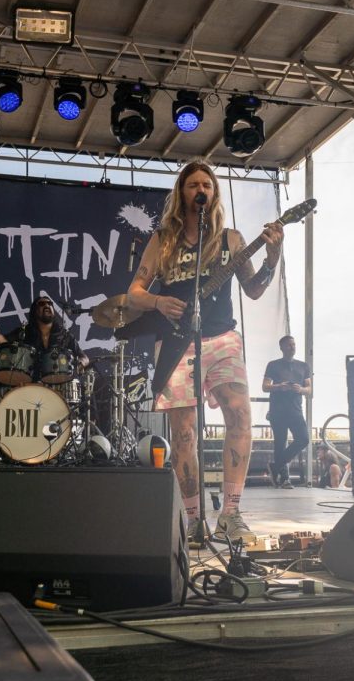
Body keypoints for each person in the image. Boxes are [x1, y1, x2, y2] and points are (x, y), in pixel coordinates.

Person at [127, 160, 283, 546]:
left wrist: (273, 257)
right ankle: (195, 520)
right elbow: (135, 292)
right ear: (182, 192)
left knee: (240, 413)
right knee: (183, 433)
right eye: (193, 184)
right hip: (177, 342)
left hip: (222, 339)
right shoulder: (163, 239)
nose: (201, 190)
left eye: (207, 185)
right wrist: (159, 301)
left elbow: (255, 289)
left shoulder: (231, 240)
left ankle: (230, 513)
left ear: (214, 194)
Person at [0, 295, 88, 382]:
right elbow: (4, 343)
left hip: (60, 384)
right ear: (35, 311)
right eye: (42, 304)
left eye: (49, 303)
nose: (47, 305)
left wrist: (80, 363)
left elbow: (84, 357)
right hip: (31, 384)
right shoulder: (24, 331)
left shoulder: (65, 335)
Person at [263, 335, 311, 489]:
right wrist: (279, 386)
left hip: (296, 409)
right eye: (289, 345)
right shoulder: (273, 365)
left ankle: (275, 466)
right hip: (277, 410)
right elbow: (265, 386)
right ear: (282, 348)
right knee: (280, 443)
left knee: (303, 439)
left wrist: (301, 389)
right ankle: (284, 479)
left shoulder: (303, 366)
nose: (292, 347)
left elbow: (309, 389)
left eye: (294, 344)